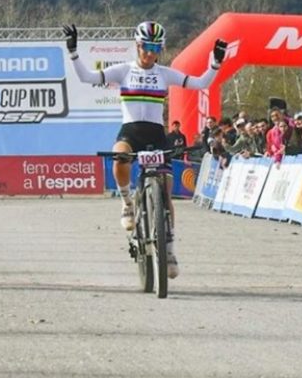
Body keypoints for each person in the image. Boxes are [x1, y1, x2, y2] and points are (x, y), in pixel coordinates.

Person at [64, 21, 227, 279]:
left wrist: (216, 63)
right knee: (119, 156)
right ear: (137, 46)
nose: (149, 53)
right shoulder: (123, 70)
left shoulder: (165, 73)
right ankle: (127, 202)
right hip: (131, 132)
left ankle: (170, 249)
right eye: (145, 47)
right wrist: (73, 52)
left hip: (155, 135)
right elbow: (87, 77)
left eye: (155, 48)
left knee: (166, 191)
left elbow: (200, 83)